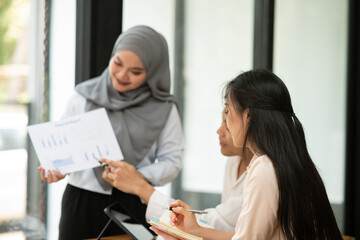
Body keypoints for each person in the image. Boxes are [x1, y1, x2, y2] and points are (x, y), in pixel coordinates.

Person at [151, 69, 343, 239]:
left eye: (228, 111)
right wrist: (195, 231)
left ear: (248, 115)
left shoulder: (265, 169)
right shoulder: (291, 162)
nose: (225, 122)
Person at [37, 25, 184, 239]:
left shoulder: (164, 109)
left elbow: (173, 161)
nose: (123, 75)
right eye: (117, 63)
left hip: (133, 200)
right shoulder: (83, 96)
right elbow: (65, 147)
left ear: (152, 72)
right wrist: (58, 167)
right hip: (80, 203)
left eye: (136, 72)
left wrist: (135, 176)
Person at [101, 109, 253, 231]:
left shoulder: (261, 174)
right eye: (222, 120)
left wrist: (140, 186)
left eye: (227, 123)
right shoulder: (234, 161)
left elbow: (211, 225)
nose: (219, 130)